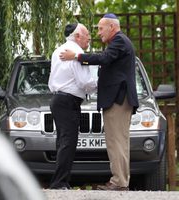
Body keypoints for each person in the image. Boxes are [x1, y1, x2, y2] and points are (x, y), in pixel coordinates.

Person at [60, 13, 139, 191]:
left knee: (115, 141)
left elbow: (103, 58)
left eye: (101, 28)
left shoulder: (119, 41)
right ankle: (121, 181)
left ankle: (119, 182)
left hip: (118, 99)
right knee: (120, 141)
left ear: (112, 27)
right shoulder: (120, 41)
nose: (98, 33)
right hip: (120, 99)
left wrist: (77, 56)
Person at [48, 23, 97, 189]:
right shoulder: (77, 53)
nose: (90, 37)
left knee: (63, 141)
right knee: (68, 142)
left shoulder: (57, 51)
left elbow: (52, 79)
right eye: (87, 34)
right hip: (68, 101)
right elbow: (84, 82)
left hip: (58, 99)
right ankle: (59, 183)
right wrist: (100, 83)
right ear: (77, 36)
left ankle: (60, 181)